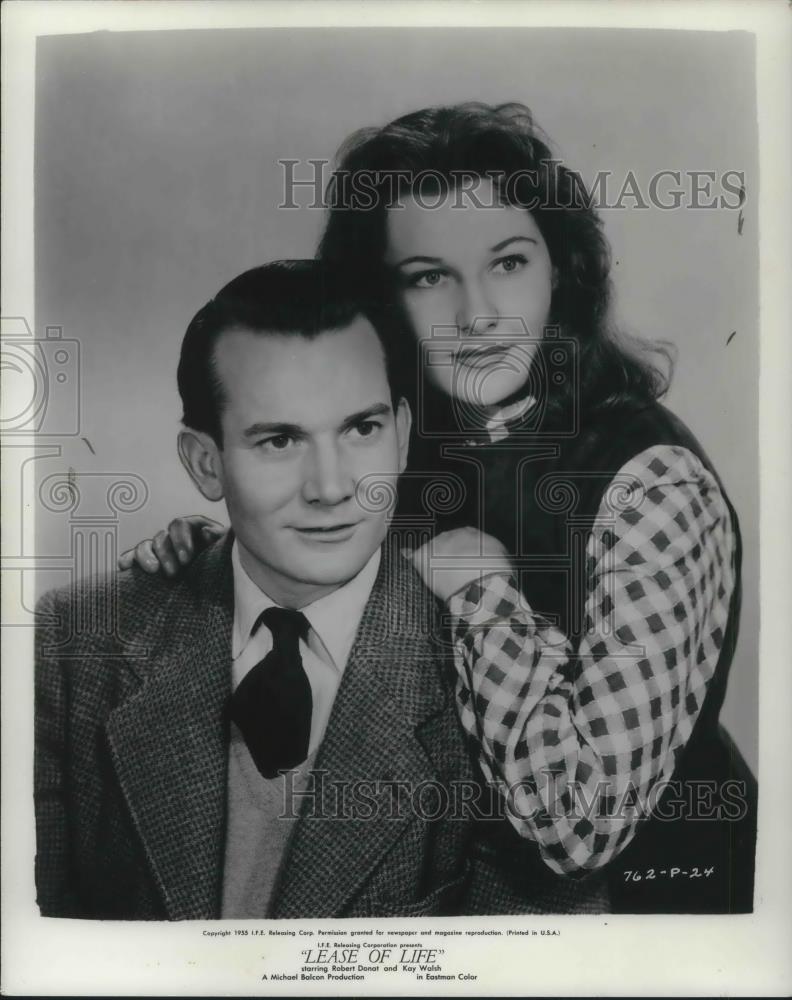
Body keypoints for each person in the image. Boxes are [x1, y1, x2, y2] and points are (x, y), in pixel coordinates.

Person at [120, 103, 757, 913]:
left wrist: (484, 594)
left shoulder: (652, 484)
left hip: (647, 920)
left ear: (559, 269)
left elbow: (579, 827)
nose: (475, 315)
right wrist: (228, 554)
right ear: (382, 300)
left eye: (508, 263)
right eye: (429, 277)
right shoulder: (415, 439)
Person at [35, 259, 609, 919]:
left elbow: (547, 975)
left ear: (401, 437)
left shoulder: (501, 676)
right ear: (203, 462)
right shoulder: (70, 647)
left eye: (361, 429)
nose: (332, 487)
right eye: (279, 440)